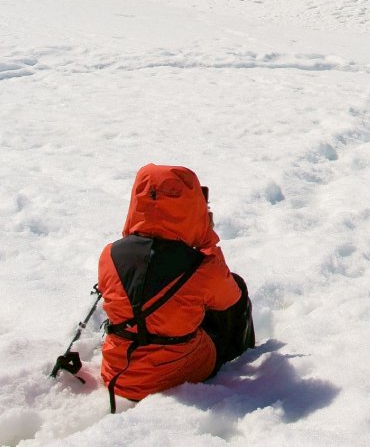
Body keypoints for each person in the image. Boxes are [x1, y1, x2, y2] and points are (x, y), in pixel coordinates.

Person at [96, 164, 254, 412]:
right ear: (192, 207)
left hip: (118, 373)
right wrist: (206, 237)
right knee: (235, 289)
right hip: (176, 374)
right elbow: (230, 298)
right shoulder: (201, 265)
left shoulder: (110, 254)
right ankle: (245, 359)